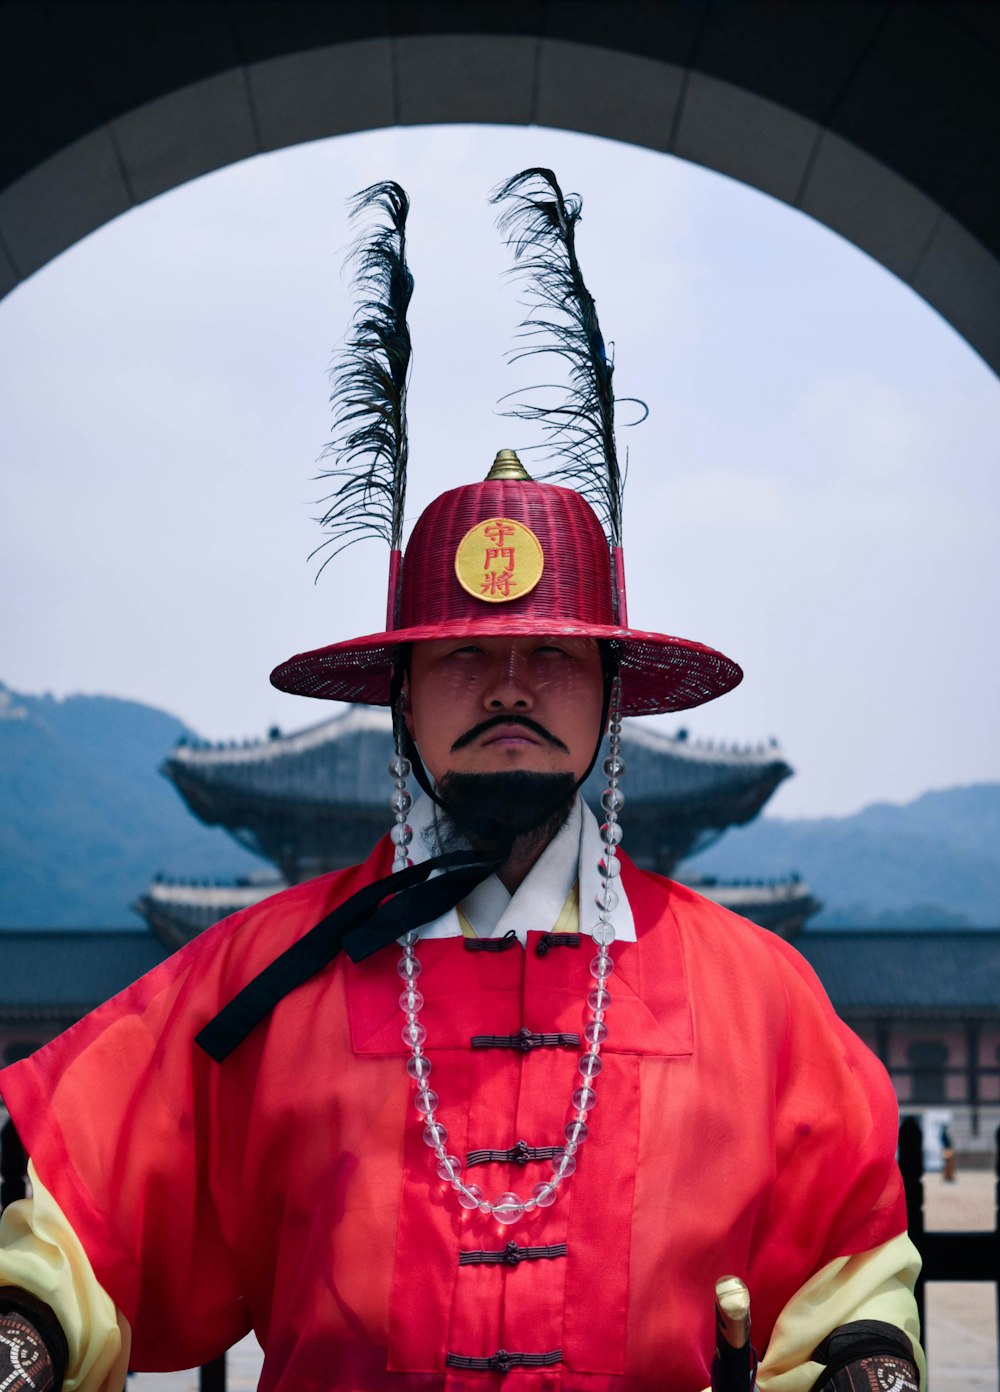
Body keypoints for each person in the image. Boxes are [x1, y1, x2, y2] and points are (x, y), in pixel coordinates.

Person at [0, 170, 923, 1391]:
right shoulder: (257, 980)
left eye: (551, 654)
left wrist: (866, 1366)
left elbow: (846, 1288)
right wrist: (23, 1330)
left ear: (610, 693)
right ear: (396, 693)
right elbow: (72, 1206)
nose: (509, 685)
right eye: (465, 655)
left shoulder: (759, 998)